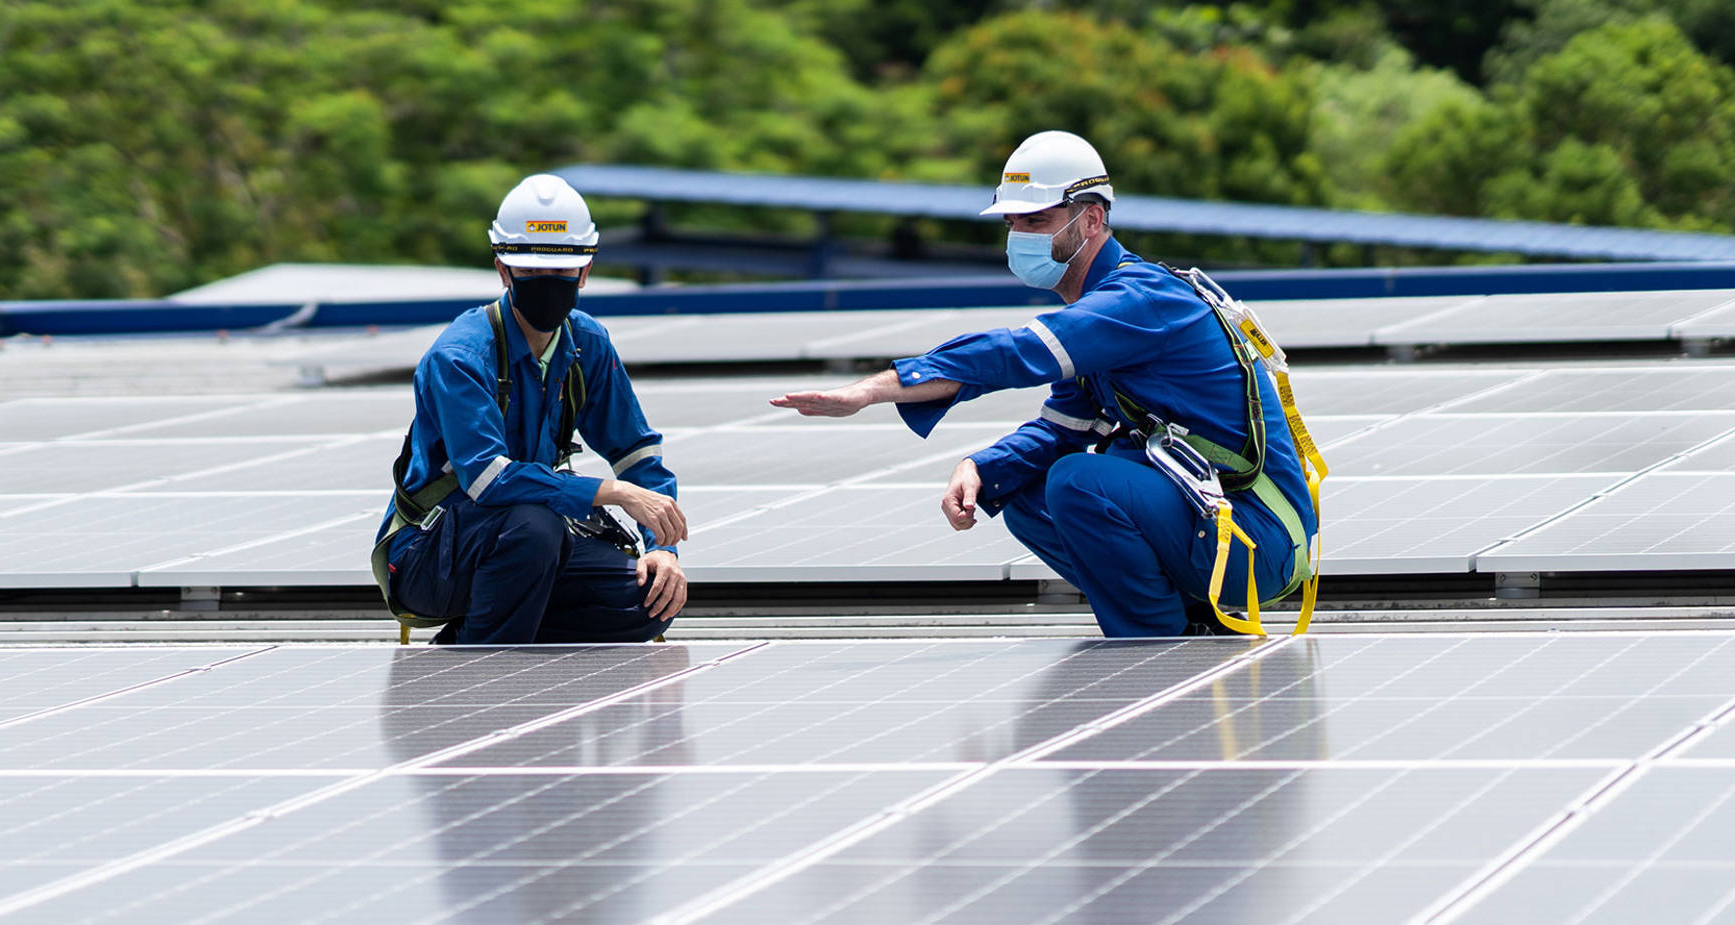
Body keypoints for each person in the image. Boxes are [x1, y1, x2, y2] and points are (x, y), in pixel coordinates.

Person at [771, 131, 1320, 639]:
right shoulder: (1101, 319)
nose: (1018, 237)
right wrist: (983, 467)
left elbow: (1018, 353)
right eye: (1011, 224)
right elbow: (1062, 428)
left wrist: (873, 389)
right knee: (1027, 491)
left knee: (1079, 482)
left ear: (1090, 221)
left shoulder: (1139, 301)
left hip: (1255, 536)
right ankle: (1191, 625)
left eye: (1035, 221)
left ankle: (1160, 649)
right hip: (1221, 530)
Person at [372, 173, 688, 645]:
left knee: (645, 598)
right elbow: (487, 479)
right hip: (431, 557)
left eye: (562, 273)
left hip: (531, 544)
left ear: (585, 270)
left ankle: (487, 625)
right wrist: (612, 493)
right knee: (533, 524)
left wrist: (662, 550)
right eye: (531, 272)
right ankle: (478, 659)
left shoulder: (587, 345)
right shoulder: (460, 356)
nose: (548, 284)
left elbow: (636, 453)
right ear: (503, 270)